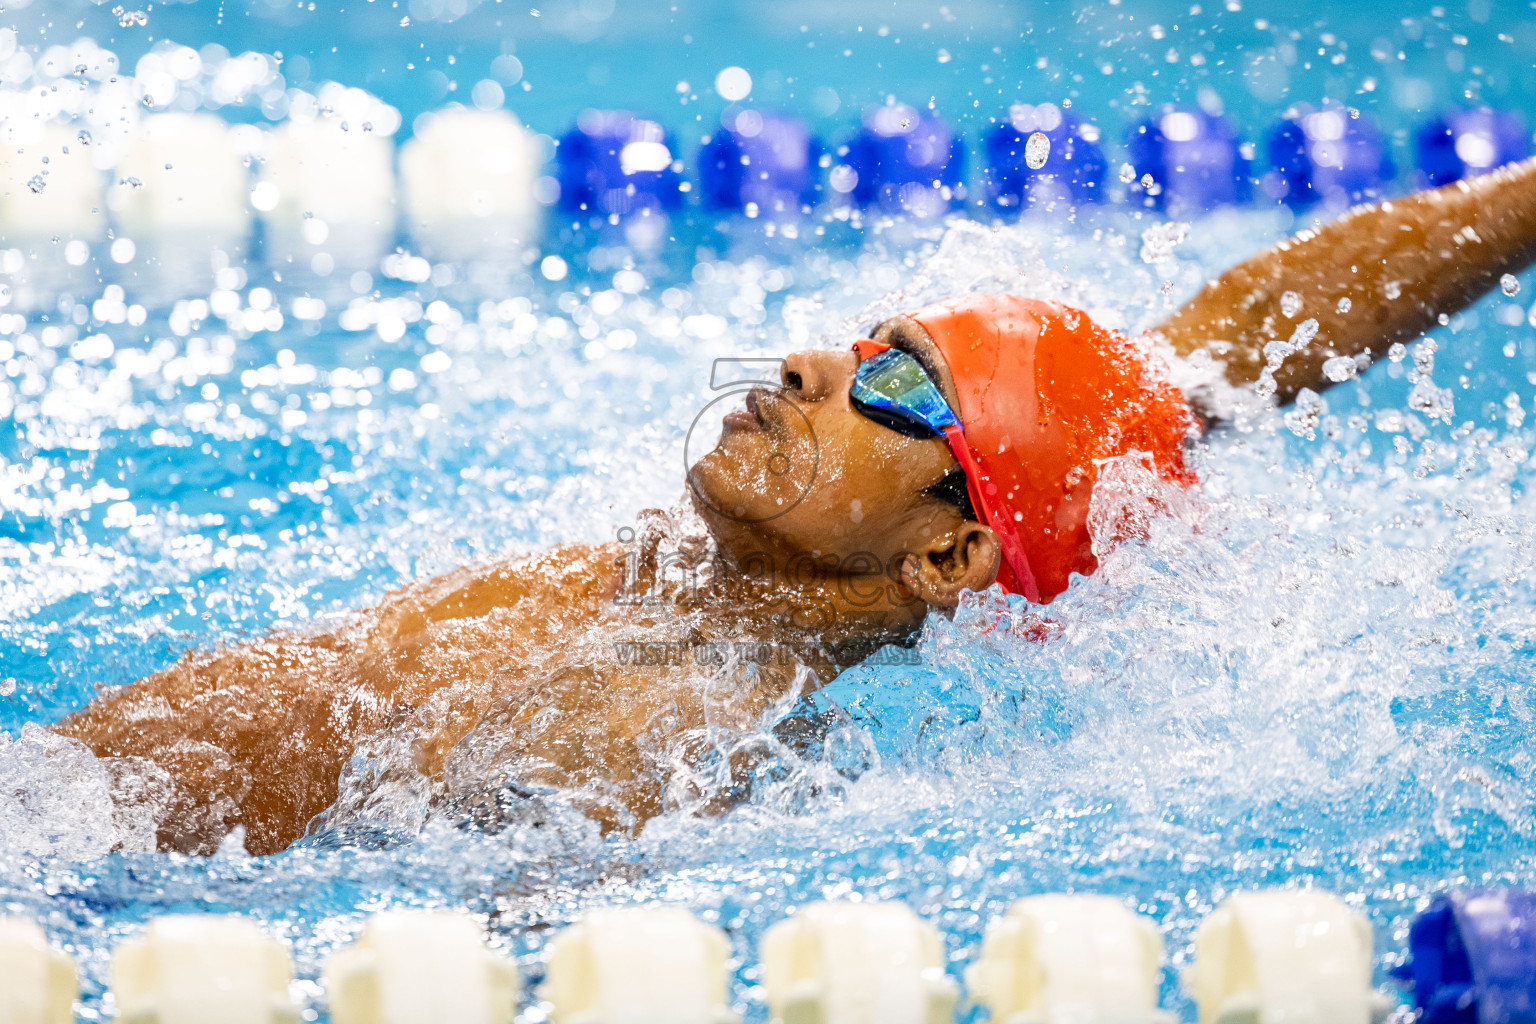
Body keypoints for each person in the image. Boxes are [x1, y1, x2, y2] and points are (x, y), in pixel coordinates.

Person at [54, 154, 1536, 856]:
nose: (811, 359)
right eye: (865, 341)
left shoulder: (660, 730)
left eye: (894, 387)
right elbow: (1243, 335)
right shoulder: (675, 585)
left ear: (953, 552)